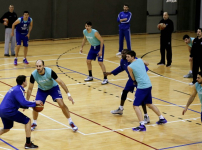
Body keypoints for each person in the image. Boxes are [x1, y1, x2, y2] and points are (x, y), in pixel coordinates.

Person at [26, 60, 78, 132]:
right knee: (36, 105)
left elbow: (61, 82)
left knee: (61, 104)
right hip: (42, 90)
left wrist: (68, 95)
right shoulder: (33, 74)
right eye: (37, 66)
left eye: (40, 66)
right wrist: (26, 101)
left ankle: (71, 122)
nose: (38, 68)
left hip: (53, 88)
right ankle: (34, 123)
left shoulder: (50, 71)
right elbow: (29, 89)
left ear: (43, 66)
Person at [105, 49, 150, 124]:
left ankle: (146, 116)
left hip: (139, 80)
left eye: (125, 54)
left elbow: (144, 69)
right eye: (122, 54)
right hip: (131, 80)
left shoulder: (136, 61)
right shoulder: (123, 61)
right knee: (124, 92)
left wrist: (138, 77)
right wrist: (111, 73)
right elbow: (121, 68)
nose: (123, 55)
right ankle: (120, 109)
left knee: (141, 98)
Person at [126, 51, 167, 131]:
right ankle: (161, 118)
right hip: (148, 84)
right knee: (149, 103)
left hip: (142, 87)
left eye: (128, 56)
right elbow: (147, 63)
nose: (126, 58)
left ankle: (142, 125)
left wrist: (136, 78)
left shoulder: (130, 66)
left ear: (132, 57)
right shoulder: (140, 60)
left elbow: (133, 78)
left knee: (135, 105)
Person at [0, 75, 42, 149]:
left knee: (7, 128)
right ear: (23, 82)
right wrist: (35, 103)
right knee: (28, 121)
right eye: (26, 80)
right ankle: (28, 144)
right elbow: (24, 103)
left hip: (2, 110)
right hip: (9, 111)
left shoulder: (14, 88)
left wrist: (28, 105)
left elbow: (18, 103)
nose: (27, 82)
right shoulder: (19, 90)